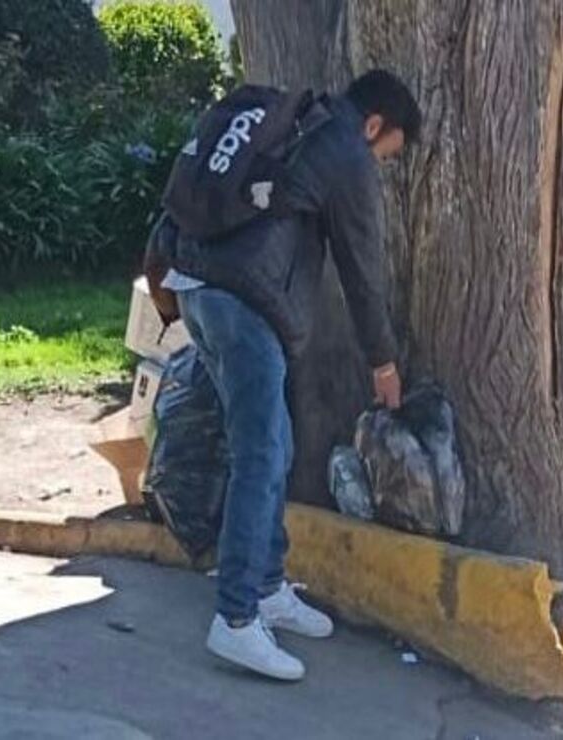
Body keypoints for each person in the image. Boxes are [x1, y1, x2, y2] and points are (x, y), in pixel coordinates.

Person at [145, 69, 421, 681]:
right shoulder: (345, 150)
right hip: (244, 303)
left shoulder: (299, 123)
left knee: (277, 442)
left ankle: (268, 584)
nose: (379, 163)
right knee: (261, 453)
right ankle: (237, 619)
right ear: (374, 124)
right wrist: (383, 362)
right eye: (387, 153)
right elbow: (361, 271)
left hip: (199, 287)